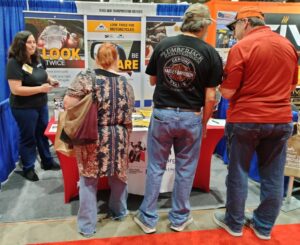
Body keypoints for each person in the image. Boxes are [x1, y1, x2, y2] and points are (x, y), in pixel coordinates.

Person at [134, 3, 223, 234]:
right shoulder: (210, 52)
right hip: (190, 116)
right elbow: (210, 95)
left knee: (155, 167)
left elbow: (153, 80)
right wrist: (203, 124)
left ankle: (148, 217)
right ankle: (179, 218)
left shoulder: (163, 45)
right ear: (203, 25)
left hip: (163, 113)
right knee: (185, 169)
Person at [213, 6, 299, 240]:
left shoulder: (241, 47)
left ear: (246, 23)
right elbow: (291, 87)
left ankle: (234, 222)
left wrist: (221, 85)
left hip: (246, 118)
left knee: (238, 171)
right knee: (273, 174)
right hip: (281, 119)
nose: (234, 32)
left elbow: (229, 92)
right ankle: (263, 226)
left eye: (236, 27)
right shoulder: (288, 46)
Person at [63, 42, 135, 237]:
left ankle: (87, 226)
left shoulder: (86, 78)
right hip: (118, 134)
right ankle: (119, 212)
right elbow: (129, 114)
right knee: (119, 176)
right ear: (116, 59)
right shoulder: (125, 82)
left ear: (98, 58)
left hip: (92, 136)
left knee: (88, 179)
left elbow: (68, 103)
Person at [6, 31, 61, 182]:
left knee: (43, 134)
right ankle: (28, 168)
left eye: (34, 42)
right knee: (28, 137)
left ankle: (47, 162)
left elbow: (43, 73)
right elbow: (16, 89)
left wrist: (51, 80)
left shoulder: (37, 58)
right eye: (29, 42)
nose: (33, 45)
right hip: (24, 108)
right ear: (20, 44)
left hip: (40, 104)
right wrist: (40, 89)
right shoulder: (14, 63)